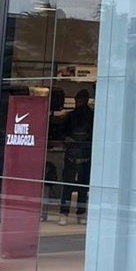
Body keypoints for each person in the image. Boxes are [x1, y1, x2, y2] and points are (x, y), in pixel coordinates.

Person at [58, 89, 93, 225]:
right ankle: (64, 212)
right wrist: (67, 139)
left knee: (83, 185)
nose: (78, 102)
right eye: (77, 99)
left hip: (85, 152)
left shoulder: (91, 116)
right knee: (68, 184)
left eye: (81, 99)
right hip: (72, 152)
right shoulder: (70, 116)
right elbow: (61, 133)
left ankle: (80, 212)